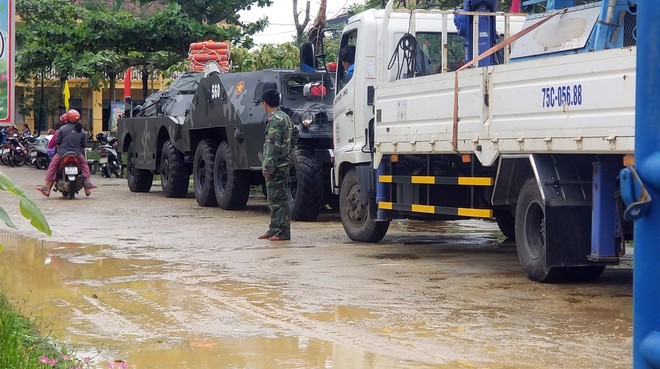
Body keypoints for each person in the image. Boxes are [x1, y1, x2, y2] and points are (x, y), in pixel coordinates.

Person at [258, 89, 294, 241]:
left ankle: (282, 232)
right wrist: (287, 150)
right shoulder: (285, 117)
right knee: (274, 198)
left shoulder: (275, 120)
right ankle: (274, 229)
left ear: (265, 104)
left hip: (276, 165)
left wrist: (267, 166)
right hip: (282, 162)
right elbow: (296, 134)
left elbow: (271, 145)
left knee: (279, 199)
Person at [36, 109, 96, 197]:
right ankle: (88, 184)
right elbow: (83, 144)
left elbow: (58, 141)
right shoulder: (82, 131)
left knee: (52, 166)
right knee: (84, 165)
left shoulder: (61, 129)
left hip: (62, 153)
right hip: (77, 153)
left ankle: (45, 186)